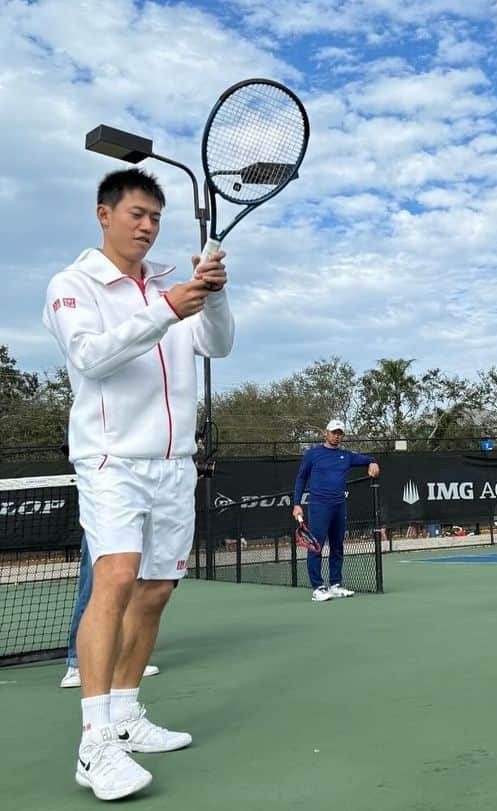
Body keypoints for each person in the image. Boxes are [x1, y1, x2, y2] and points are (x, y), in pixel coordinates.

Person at [43, 167, 234, 801]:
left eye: (155, 217)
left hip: (175, 463)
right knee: (116, 577)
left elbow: (219, 345)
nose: (147, 226)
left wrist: (212, 292)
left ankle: (125, 714)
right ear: (104, 215)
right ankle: (93, 744)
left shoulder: (166, 285)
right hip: (110, 460)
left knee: (154, 591)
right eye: (136, 215)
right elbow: (90, 356)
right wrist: (166, 309)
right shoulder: (72, 285)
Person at [292, 420, 380, 602]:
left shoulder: (346, 456)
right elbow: (301, 478)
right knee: (315, 547)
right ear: (326, 433)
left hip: (339, 506)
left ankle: (335, 585)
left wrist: (373, 462)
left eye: (340, 433)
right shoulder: (313, 454)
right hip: (318, 506)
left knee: (337, 546)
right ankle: (317, 588)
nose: (337, 436)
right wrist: (296, 503)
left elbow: (367, 459)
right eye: (334, 432)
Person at [60, 534, 160, 688]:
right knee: (92, 586)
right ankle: (77, 665)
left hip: (132, 516)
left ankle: (127, 659)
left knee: (133, 582)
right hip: (101, 516)